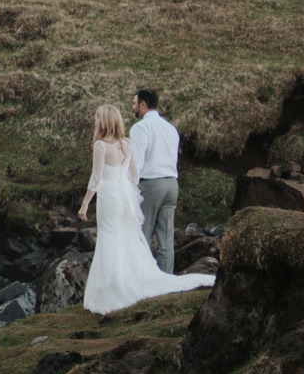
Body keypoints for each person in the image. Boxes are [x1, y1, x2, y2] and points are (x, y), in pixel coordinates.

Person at [78, 103, 213, 314]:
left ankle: (112, 290)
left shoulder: (101, 146)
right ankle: (131, 280)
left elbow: (96, 178)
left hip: (109, 198)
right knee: (126, 238)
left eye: (97, 118)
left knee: (109, 238)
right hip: (123, 198)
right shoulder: (126, 144)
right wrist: (128, 194)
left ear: (103, 121)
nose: (95, 121)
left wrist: (85, 203)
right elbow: (135, 176)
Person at [131, 88, 180, 273]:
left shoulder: (141, 127)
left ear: (143, 104)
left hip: (151, 184)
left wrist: (129, 186)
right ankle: (166, 280)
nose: (133, 107)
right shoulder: (171, 128)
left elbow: (137, 160)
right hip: (172, 183)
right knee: (166, 239)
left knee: (142, 234)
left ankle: (143, 277)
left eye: (134, 103)